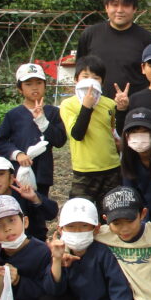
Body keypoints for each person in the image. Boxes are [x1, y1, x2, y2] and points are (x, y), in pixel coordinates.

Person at [39, 198, 133, 300]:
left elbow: (121, 291)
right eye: (71, 227)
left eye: (84, 227)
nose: (77, 232)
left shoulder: (103, 253)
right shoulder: (62, 251)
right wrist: (57, 261)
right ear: (61, 229)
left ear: (96, 229)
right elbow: (53, 289)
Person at [0, 63, 67, 198]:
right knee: (19, 207)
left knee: (39, 206)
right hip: (18, 174)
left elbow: (59, 140)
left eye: (39, 82)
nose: (34, 87)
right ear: (20, 89)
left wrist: (43, 122)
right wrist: (17, 154)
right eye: (28, 84)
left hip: (42, 173)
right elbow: (0, 142)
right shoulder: (13, 115)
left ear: (45, 85)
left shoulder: (53, 113)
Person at [59, 55, 124, 208]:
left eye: (96, 77)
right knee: (81, 212)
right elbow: (77, 134)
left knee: (110, 213)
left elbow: (115, 130)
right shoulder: (68, 105)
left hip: (111, 168)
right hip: (84, 170)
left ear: (102, 81)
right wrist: (86, 107)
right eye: (85, 76)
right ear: (76, 79)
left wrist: (121, 109)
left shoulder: (109, 104)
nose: (90, 81)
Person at [76, 0, 151, 95]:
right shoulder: (90, 35)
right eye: (115, 5)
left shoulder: (148, 40)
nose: (119, 10)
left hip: (134, 108)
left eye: (125, 5)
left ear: (134, 9)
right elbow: (80, 70)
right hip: (96, 105)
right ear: (106, 7)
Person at [0, 156, 58, 243]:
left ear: (11, 178)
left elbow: (51, 213)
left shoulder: (23, 195)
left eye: (1, 174)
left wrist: (35, 198)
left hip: (33, 247)